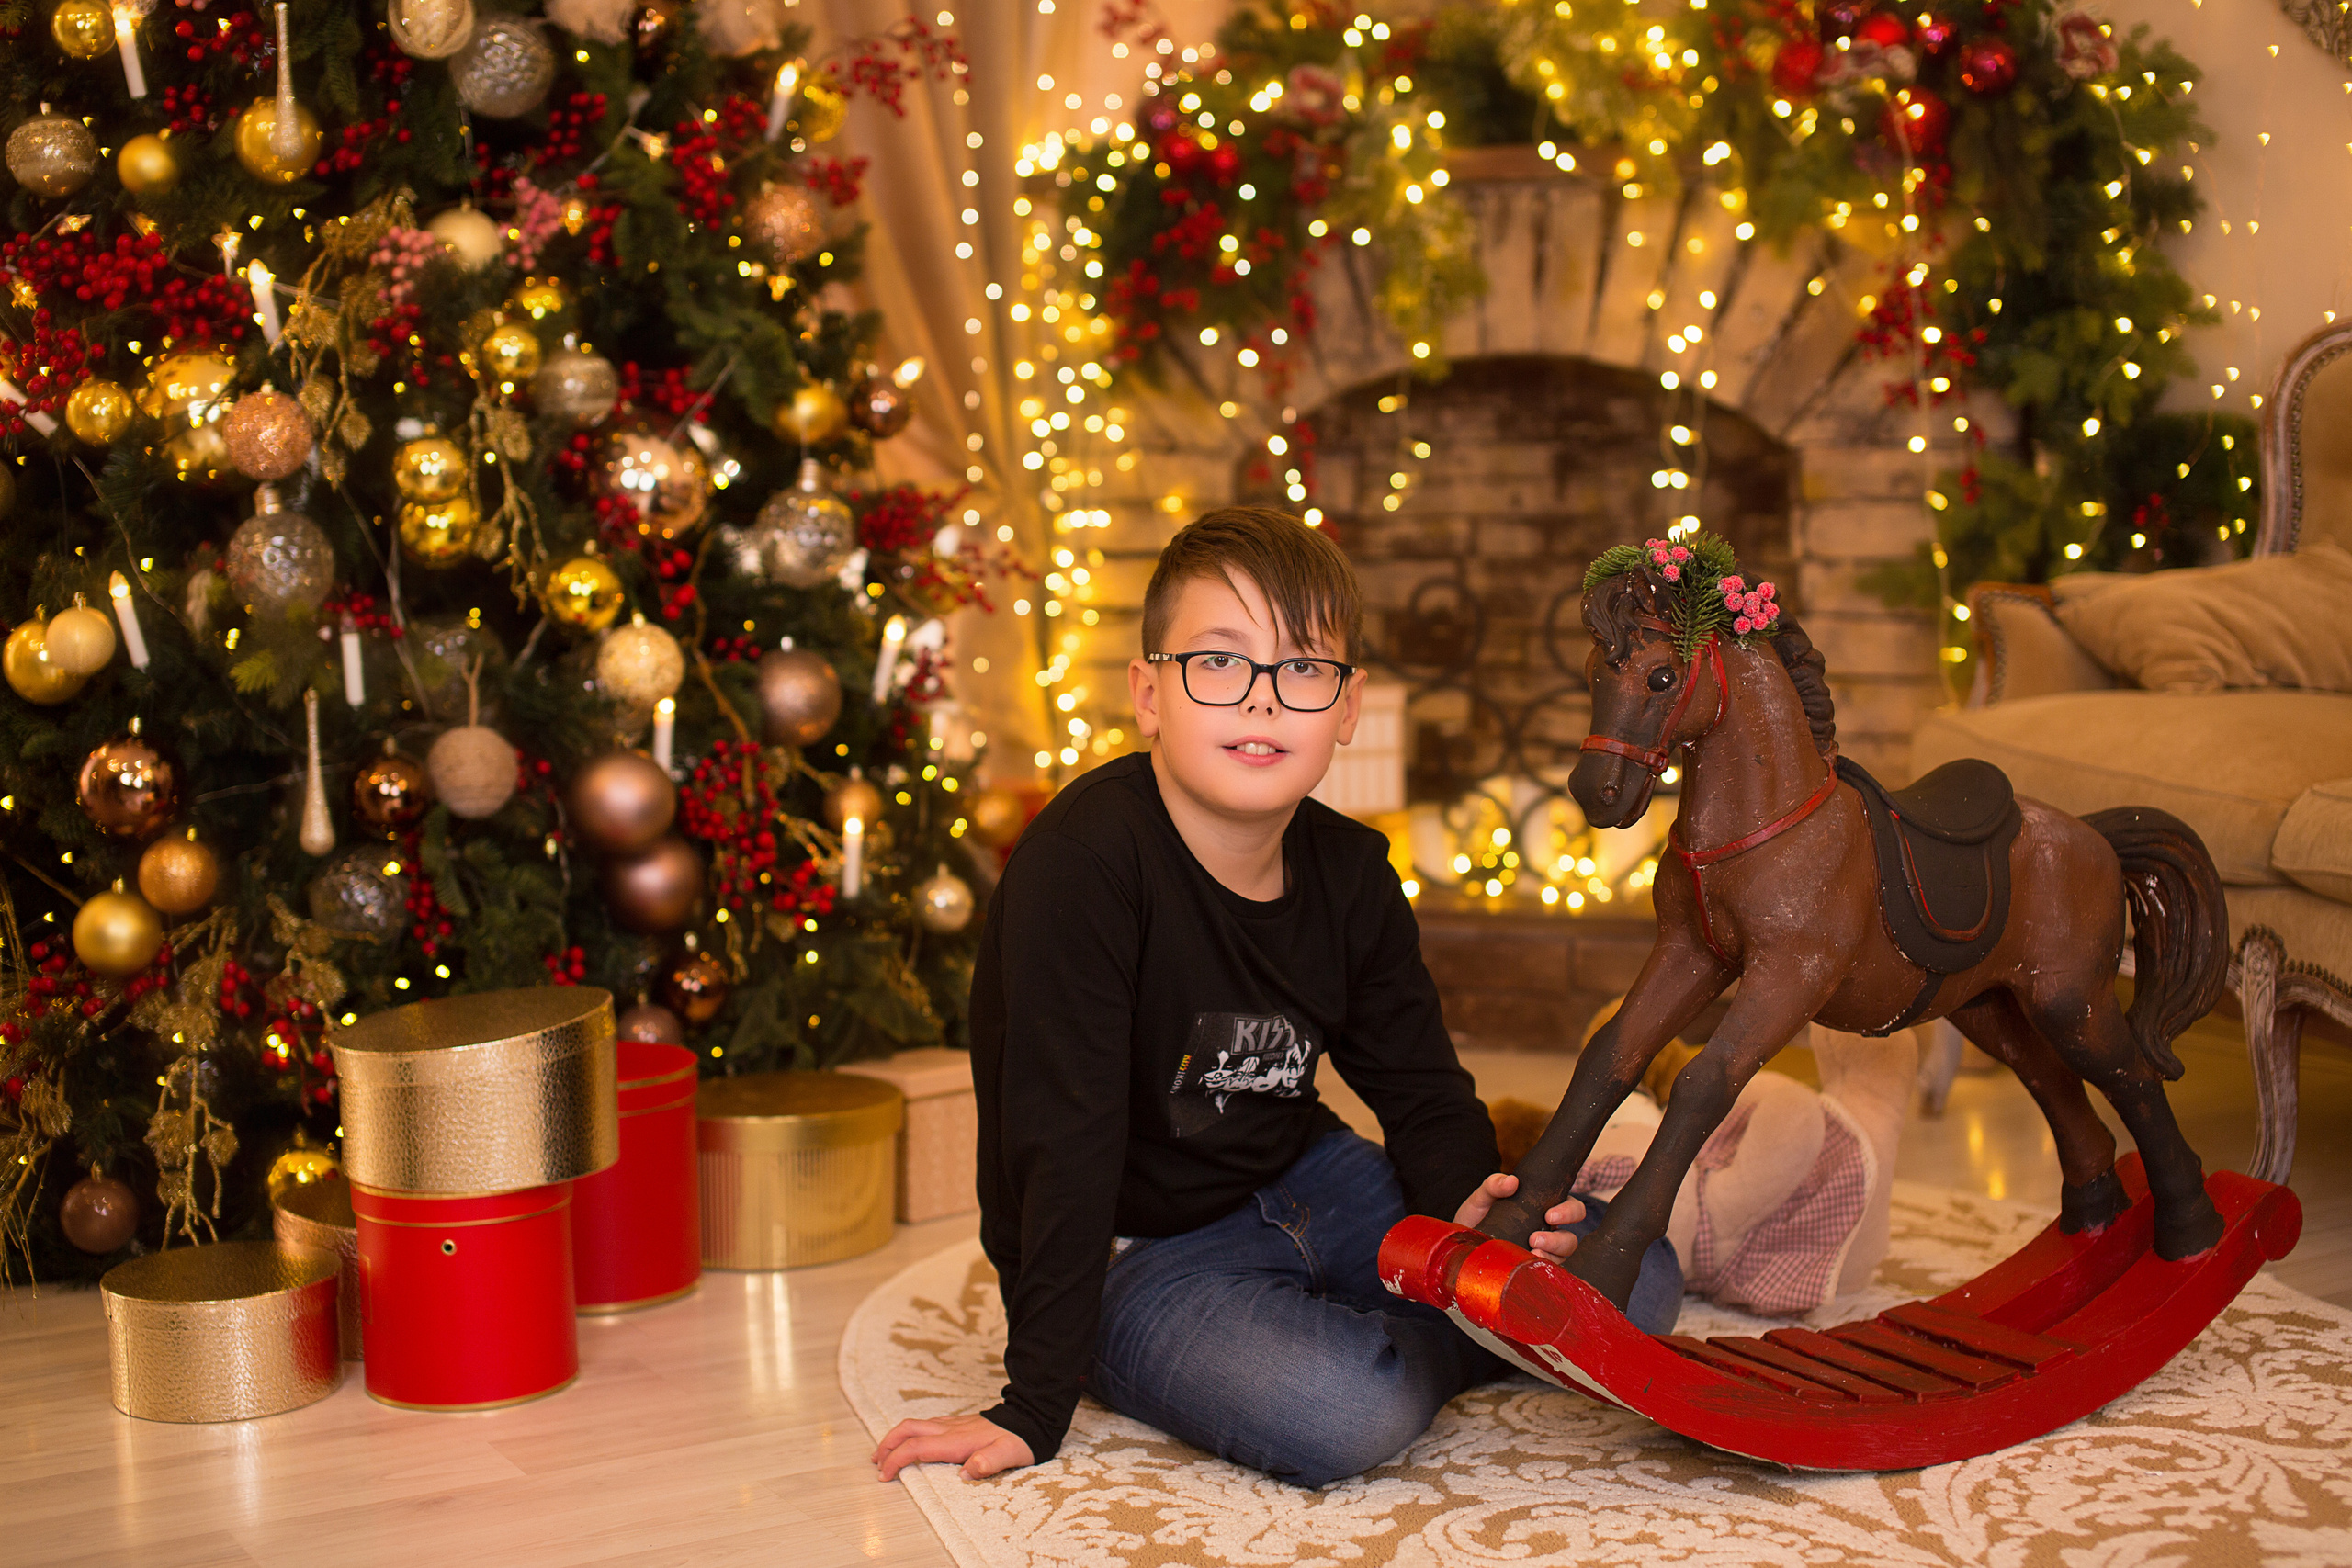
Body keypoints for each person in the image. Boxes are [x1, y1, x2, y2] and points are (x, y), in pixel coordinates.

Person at [871, 507, 1682, 1490]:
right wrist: (1033, 1402)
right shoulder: (1083, 867)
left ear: (1345, 708)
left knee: (1640, 1280)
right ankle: (1416, 1352)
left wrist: (1479, 1245)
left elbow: (1421, 1090)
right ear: (1149, 694)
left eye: (1301, 669)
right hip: (1141, 1248)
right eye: (1218, 663)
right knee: (1341, 1411)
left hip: (1314, 1183)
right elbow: (1058, 1143)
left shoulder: (1349, 873)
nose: (1261, 702)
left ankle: (1423, 1330)